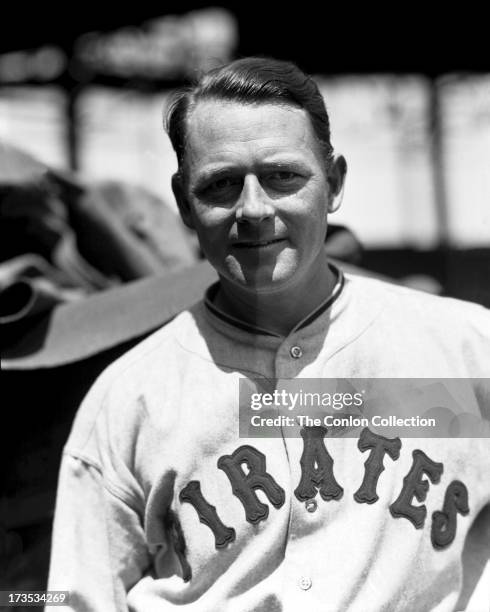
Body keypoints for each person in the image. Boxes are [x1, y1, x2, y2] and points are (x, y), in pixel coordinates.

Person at [48, 57, 490, 611]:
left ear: (334, 183)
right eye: (221, 185)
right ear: (184, 202)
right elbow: (73, 598)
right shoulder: (130, 397)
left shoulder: (464, 349)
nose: (253, 209)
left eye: (283, 176)